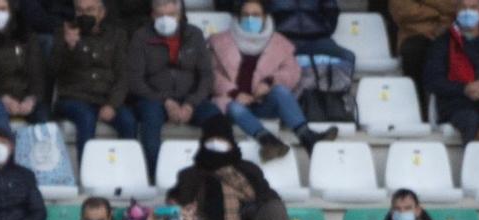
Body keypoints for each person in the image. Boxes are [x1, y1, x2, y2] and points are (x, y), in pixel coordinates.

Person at [172, 115, 309, 220]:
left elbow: (270, 196)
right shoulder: (191, 174)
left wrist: (256, 205)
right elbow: (179, 203)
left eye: (221, 140)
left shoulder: (248, 169)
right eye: (212, 140)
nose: (216, 144)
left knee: (274, 207)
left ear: (230, 142)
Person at [210, 0, 333, 160]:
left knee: (280, 91)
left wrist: (269, 82)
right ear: (238, 17)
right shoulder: (220, 42)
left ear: (265, 16)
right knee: (234, 107)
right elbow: (211, 74)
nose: (250, 19)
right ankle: (268, 141)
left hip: (263, 102)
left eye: (255, 15)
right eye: (245, 15)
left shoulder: (279, 42)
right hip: (233, 102)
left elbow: (292, 71)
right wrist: (234, 93)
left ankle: (307, 136)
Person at [123, 0, 216, 173]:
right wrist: (165, 101)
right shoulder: (141, 37)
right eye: (160, 15)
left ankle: (214, 173)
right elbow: (135, 80)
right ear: (152, 15)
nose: (166, 19)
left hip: (190, 97)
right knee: (150, 120)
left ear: (180, 15)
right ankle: (155, 174)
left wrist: (190, 103)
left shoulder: (194, 35)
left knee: (216, 120)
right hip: (153, 98)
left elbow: (206, 76)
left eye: (171, 15)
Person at [424, 0, 479, 143]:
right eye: (463, 7)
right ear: (456, 10)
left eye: (473, 7)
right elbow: (432, 80)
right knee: (470, 119)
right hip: (456, 104)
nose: (468, 12)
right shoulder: (443, 42)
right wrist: (464, 89)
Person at [51, 0, 131, 152]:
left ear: (102, 13)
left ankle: (126, 169)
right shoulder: (64, 32)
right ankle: (85, 172)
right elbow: (54, 69)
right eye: (80, 11)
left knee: (128, 120)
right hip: (74, 97)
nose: (84, 14)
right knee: (86, 117)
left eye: (90, 10)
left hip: (104, 98)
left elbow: (123, 75)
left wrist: (112, 104)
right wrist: (70, 47)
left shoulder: (117, 35)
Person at [0, 0, 44, 123]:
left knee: (42, 119)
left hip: (26, 97)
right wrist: (3, 98)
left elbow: (36, 72)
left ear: (11, 11)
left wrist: (31, 99)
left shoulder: (27, 37)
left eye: (2, 9)